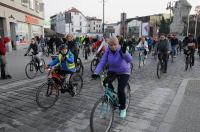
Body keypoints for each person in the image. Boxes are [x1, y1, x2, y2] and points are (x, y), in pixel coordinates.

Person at [92, 36, 132, 118]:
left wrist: (125, 52)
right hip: (113, 71)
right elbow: (102, 62)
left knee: (121, 89)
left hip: (124, 72)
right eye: (111, 45)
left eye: (115, 44)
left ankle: (123, 108)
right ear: (109, 45)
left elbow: (129, 60)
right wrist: (96, 72)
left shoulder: (121, 49)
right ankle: (113, 99)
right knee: (105, 83)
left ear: (117, 44)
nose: (113, 46)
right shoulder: (107, 51)